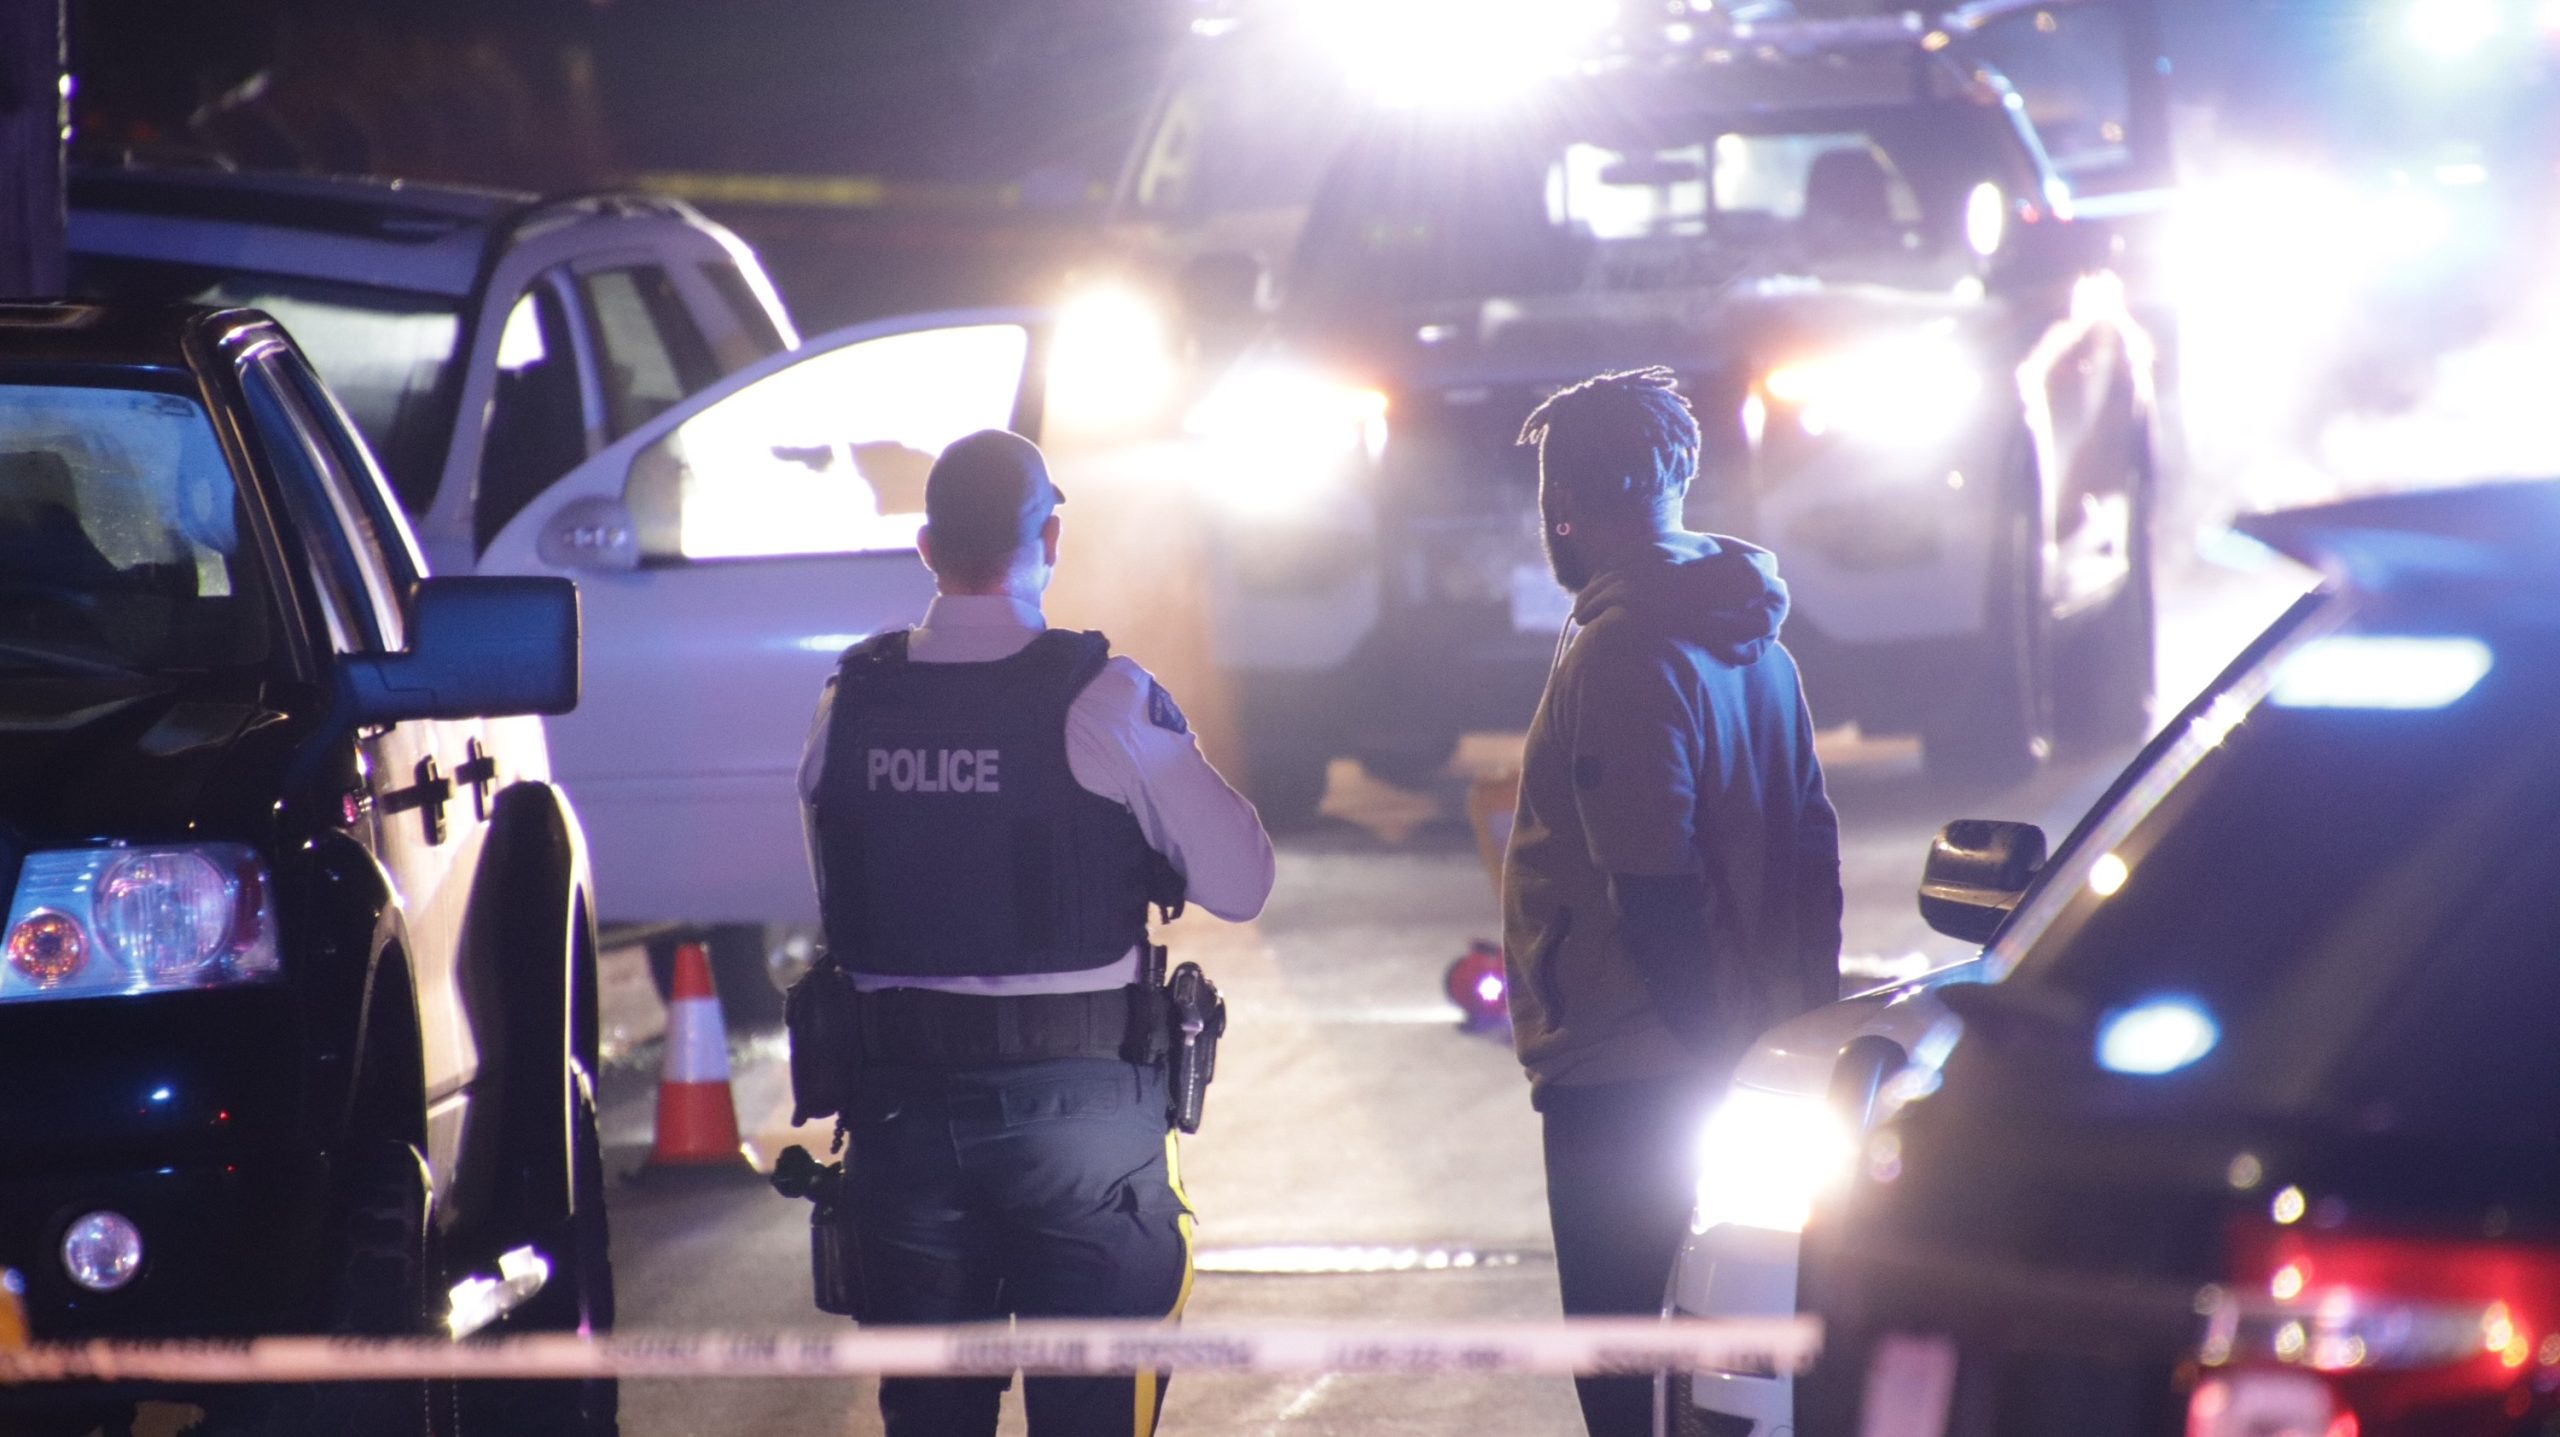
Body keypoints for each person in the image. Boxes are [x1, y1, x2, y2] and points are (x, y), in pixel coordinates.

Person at [797, 428, 1275, 1437]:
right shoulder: (1100, 698)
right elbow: (1240, 882)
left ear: (926, 548)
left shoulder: (851, 701)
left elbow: (836, 883)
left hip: (899, 1120)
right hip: (1082, 1130)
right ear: (1049, 534)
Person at [1501, 368, 1844, 1437]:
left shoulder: (1622, 651)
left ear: (1566, 505)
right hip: (1746, 1051)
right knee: (1720, 1385)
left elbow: (1649, 880)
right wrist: (1780, 1038)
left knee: (1626, 1382)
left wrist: (1708, 1053)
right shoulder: (1756, 646)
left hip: (1633, 1069)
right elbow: (1811, 859)